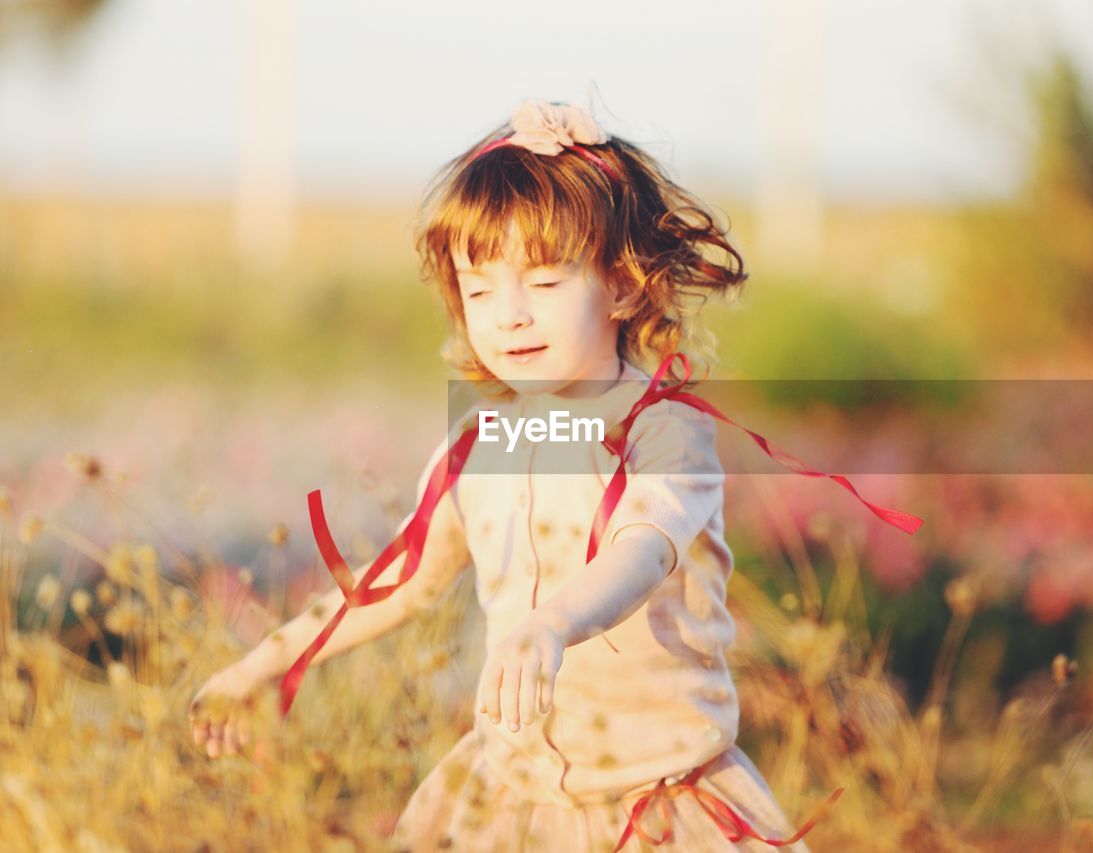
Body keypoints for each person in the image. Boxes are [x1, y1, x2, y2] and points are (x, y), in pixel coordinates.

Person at [188, 98, 919, 851]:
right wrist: (264, 662)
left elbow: (640, 549)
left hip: (660, 803)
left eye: (542, 284)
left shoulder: (666, 432)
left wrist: (553, 623)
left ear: (625, 283)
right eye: (479, 289)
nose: (508, 316)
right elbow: (401, 582)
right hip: (515, 802)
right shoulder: (479, 446)